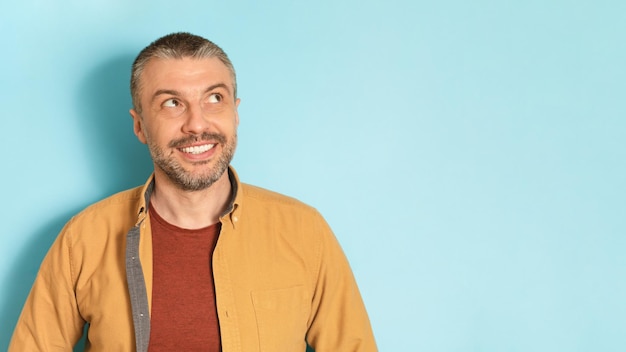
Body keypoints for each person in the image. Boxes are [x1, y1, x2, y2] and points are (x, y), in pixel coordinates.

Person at [9, 32, 377, 351]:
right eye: (172, 103)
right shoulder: (83, 240)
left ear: (236, 112)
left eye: (214, 98)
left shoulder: (304, 232)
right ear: (139, 125)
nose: (197, 123)